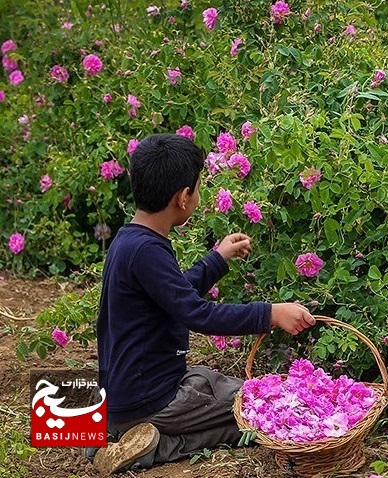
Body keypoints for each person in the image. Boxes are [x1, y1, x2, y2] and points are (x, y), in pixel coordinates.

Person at [91, 133, 316, 475]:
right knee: (258, 407)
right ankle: (151, 445)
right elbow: (195, 312)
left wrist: (217, 258)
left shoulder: (130, 240)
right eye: (198, 188)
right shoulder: (148, 250)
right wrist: (270, 313)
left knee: (221, 390)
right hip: (152, 398)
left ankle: (122, 430)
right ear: (183, 197)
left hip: (129, 391)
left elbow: (174, 294)